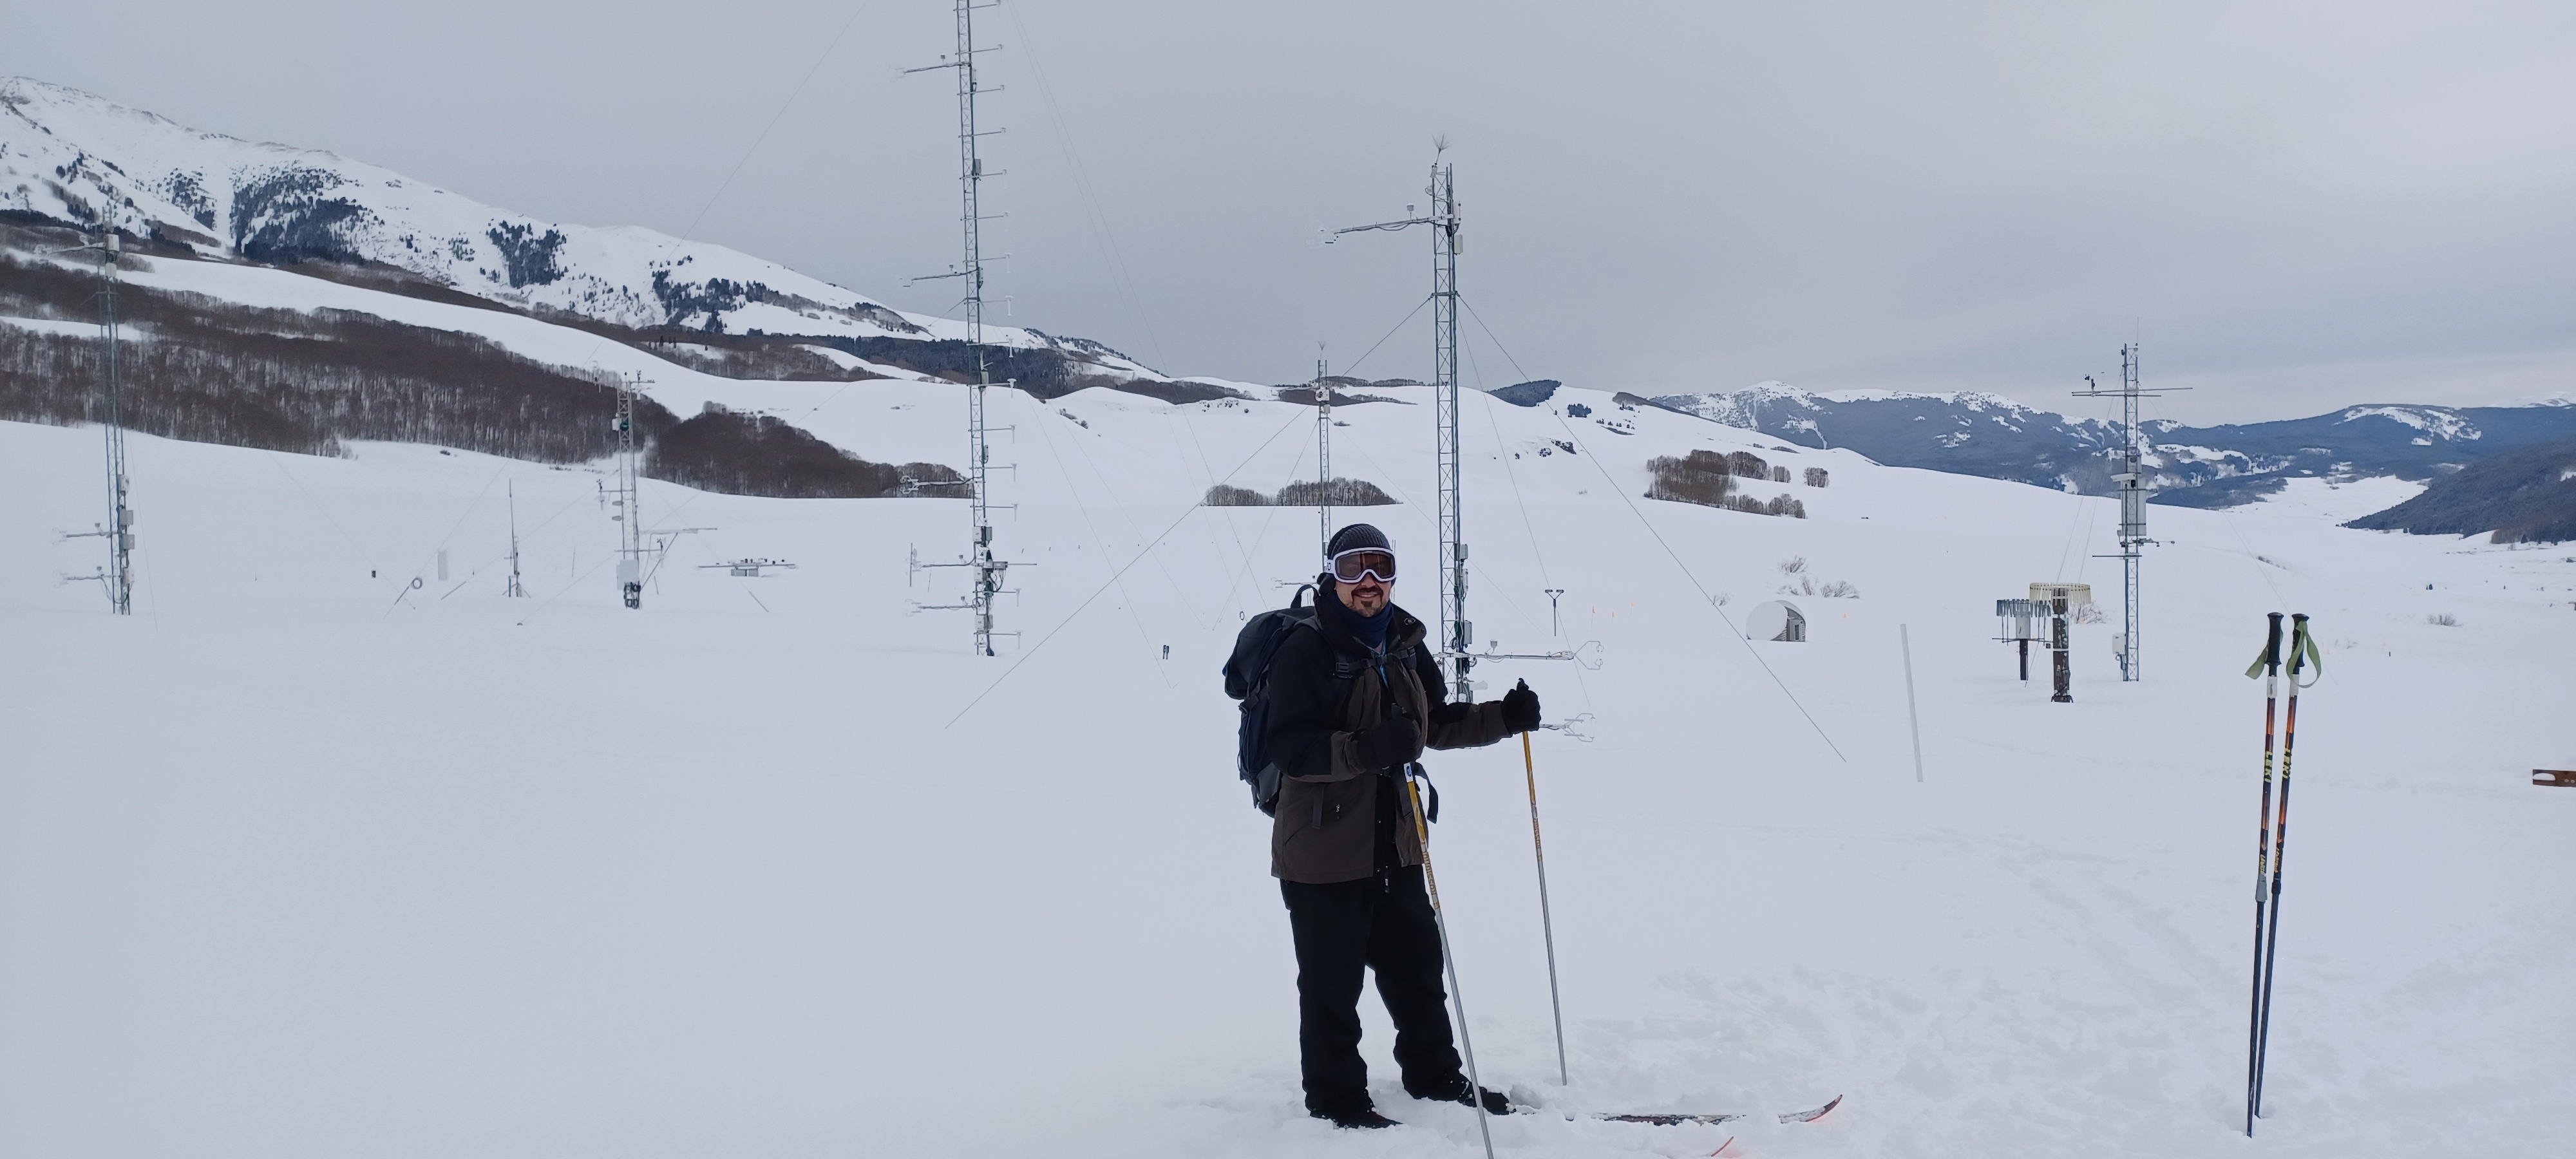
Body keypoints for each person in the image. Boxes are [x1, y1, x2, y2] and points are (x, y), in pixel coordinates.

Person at [1262, 523, 1544, 1129]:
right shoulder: (1307, 651)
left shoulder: (1404, 641)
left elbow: (1434, 723)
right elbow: (1292, 749)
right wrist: (1366, 749)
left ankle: (1435, 1075)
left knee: (1417, 965)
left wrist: (1504, 717)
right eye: (1352, 570)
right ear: (1331, 576)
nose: (1368, 584)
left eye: (1380, 568)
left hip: (1395, 840)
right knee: (1332, 985)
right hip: (1321, 849)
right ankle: (1337, 1100)